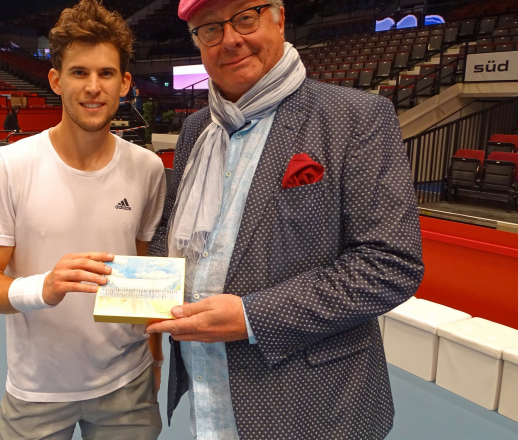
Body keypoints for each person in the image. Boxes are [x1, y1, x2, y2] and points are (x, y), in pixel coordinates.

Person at [146, 1, 425, 439]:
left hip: (312, 402)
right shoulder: (197, 130)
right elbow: (175, 235)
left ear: (278, 17)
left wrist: (253, 316)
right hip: (207, 387)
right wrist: (129, 283)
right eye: (210, 29)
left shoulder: (355, 116)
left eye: (245, 18)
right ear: (198, 43)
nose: (232, 39)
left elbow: (390, 264)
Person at [0, 1, 166, 439]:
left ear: (125, 83)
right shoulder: (7, 166)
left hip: (127, 385)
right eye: (79, 72)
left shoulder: (148, 169)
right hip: (37, 392)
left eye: (106, 73)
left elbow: (143, 268)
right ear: (55, 79)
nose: (93, 87)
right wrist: (44, 288)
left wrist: (155, 354)